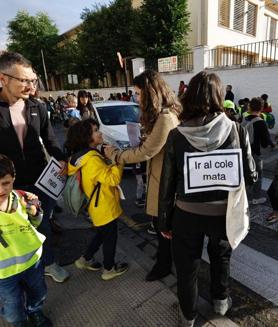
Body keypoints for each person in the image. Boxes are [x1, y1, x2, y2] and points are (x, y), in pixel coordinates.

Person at [158, 71, 257, 326]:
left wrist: (164, 222)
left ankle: (187, 316)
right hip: (223, 215)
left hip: (186, 215)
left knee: (187, 267)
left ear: (189, 96)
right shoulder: (237, 130)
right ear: (219, 97)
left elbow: (167, 184)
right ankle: (220, 303)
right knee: (221, 258)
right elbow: (252, 176)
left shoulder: (177, 135)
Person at [104, 69, 181, 281]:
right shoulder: (162, 115)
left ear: (151, 92)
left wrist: (116, 155)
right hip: (159, 176)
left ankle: (164, 265)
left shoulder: (165, 117)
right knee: (159, 223)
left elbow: (146, 151)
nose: (136, 98)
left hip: (165, 180)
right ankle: (163, 257)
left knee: (162, 224)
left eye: (139, 93)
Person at [0, 52, 69, 283]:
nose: (30, 86)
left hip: (40, 179)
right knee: (15, 229)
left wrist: (61, 158)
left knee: (43, 224)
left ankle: (49, 263)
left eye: (32, 80)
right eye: (24, 80)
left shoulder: (37, 107)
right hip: (9, 185)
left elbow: (50, 140)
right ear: (3, 79)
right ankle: (17, 273)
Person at [65, 119, 129, 280]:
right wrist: (116, 160)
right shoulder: (92, 160)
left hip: (97, 206)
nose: (99, 132)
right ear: (87, 137)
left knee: (101, 235)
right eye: (95, 130)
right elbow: (113, 179)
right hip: (104, 206)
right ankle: (109, 269)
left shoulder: (83, 157)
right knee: (110, 238)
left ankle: (84, 259)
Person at [0, 154, 52, 327]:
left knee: (38, 293)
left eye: (5, 183)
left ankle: (35, 311)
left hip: (32, 263)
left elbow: (35, 223)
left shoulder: (22, 198)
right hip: (4, 274)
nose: (1, 190)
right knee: (12, 306)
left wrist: (36, 213)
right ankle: (18, 322)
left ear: (13, 179)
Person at [241, 97, 275, 206]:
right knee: (257, 175)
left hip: (242, 152)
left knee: (245, 174)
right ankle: (256, 197)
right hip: (254, 153)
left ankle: (243, 197)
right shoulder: (260, 122)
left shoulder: (244, 119)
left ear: (250, 107)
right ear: (261, 108)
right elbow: (265, 143)